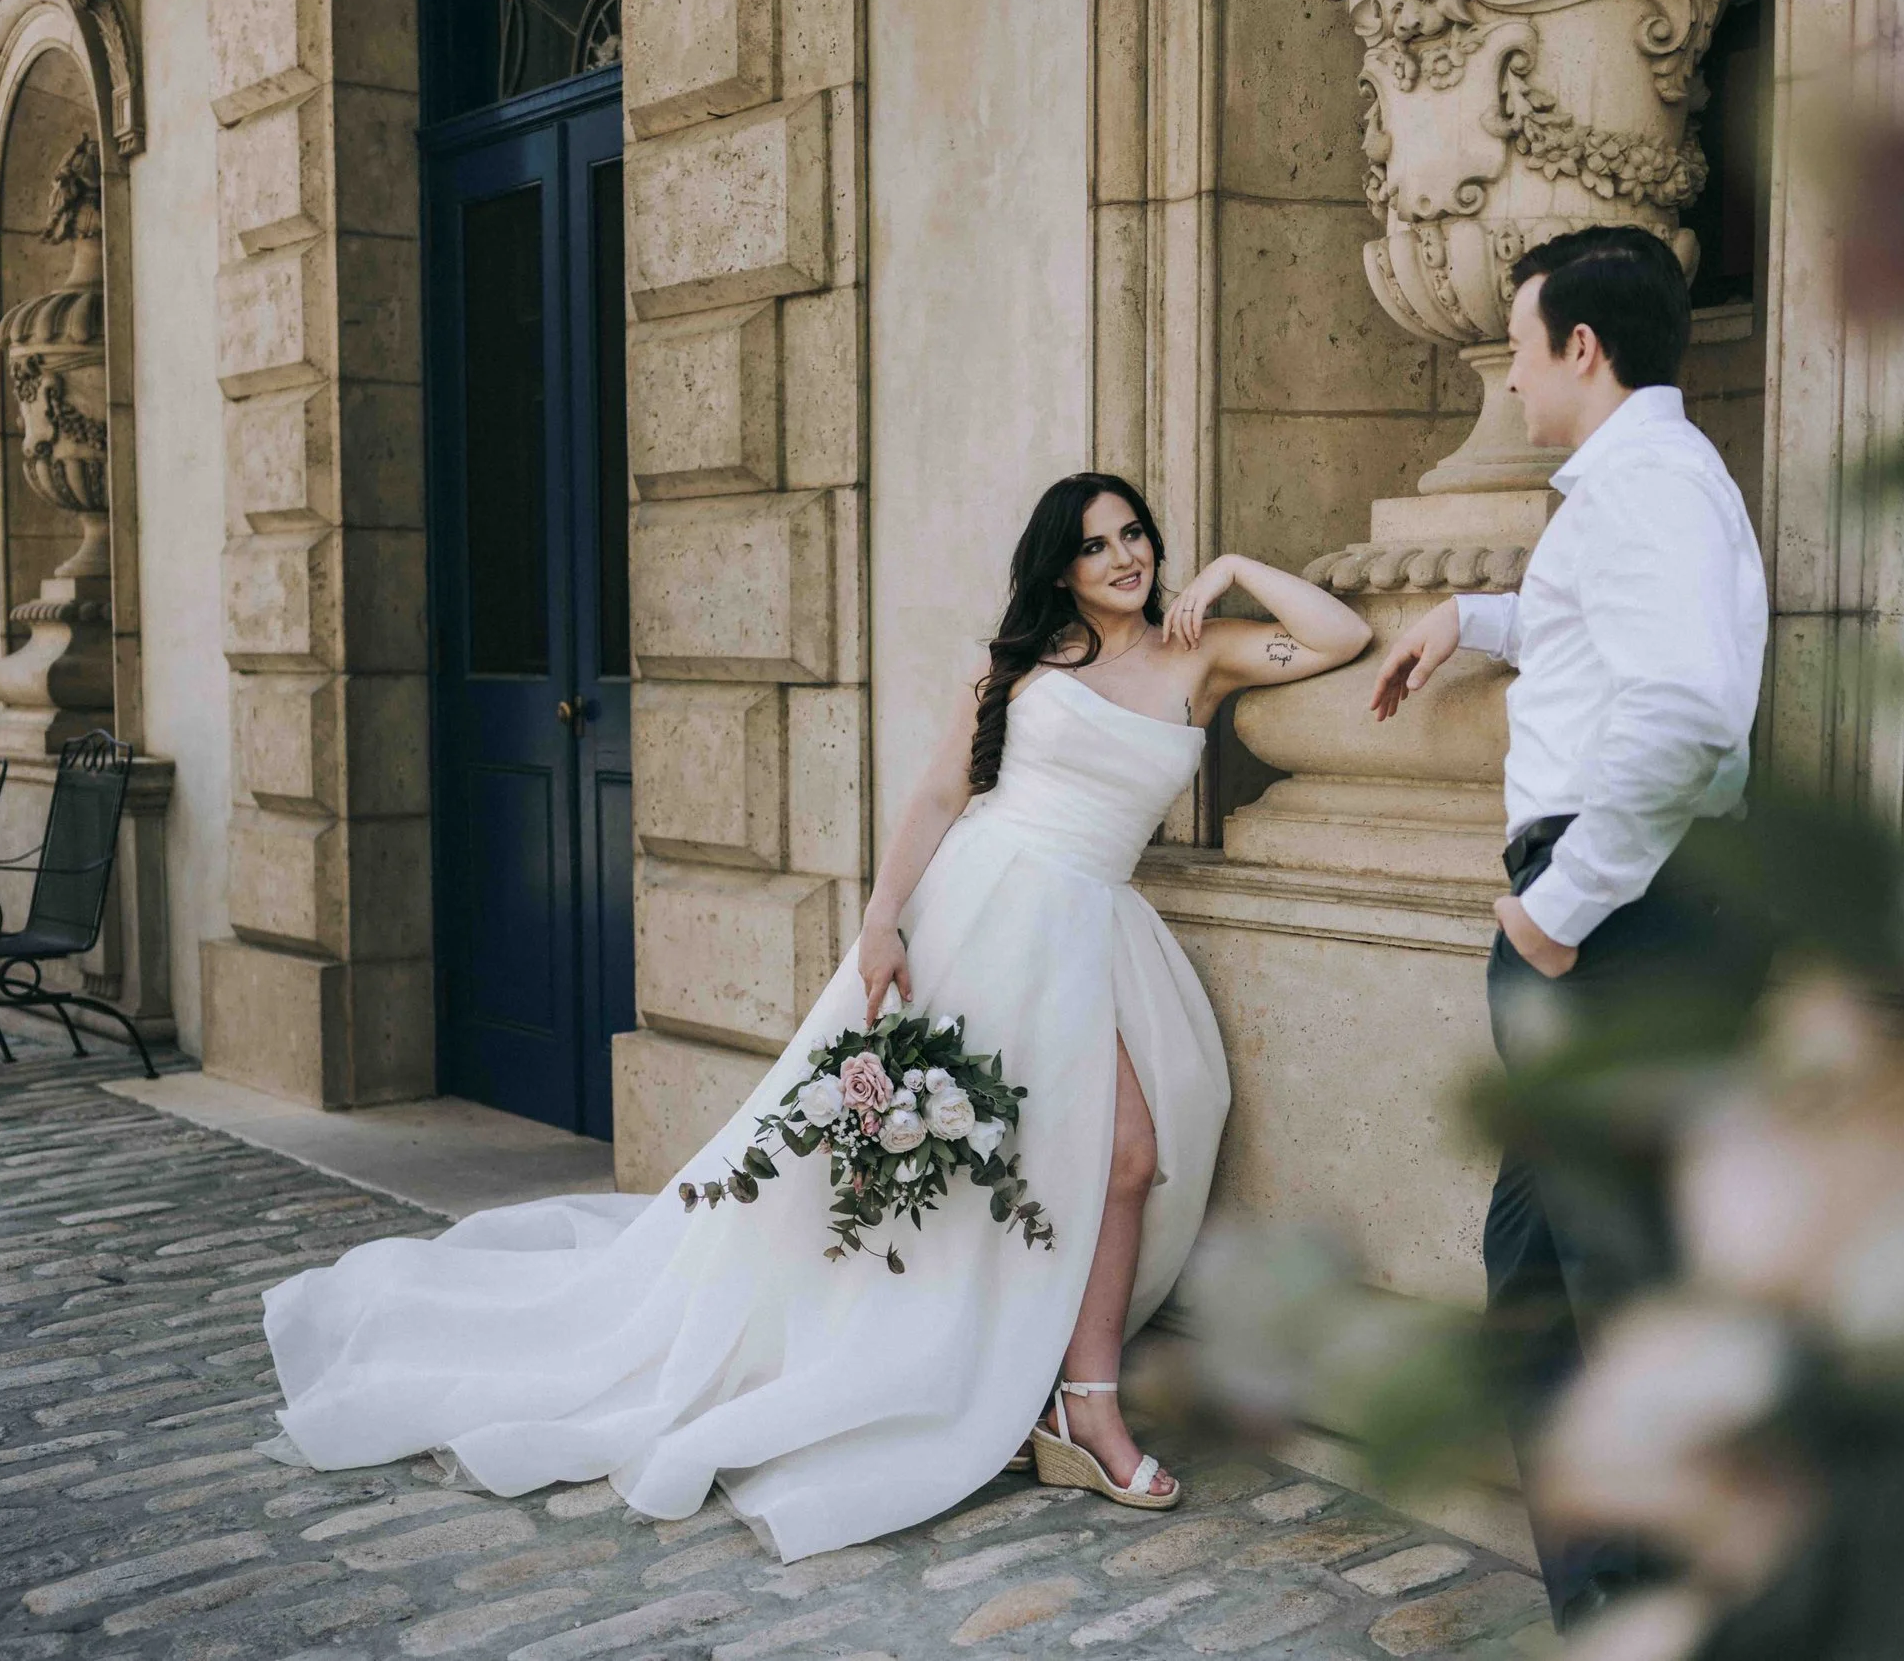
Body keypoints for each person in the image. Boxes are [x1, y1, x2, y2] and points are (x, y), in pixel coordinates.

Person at [258, 473, 1370, 1563]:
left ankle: (1077, 1401)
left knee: (1129, 1155)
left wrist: (1227, 567)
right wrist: (882, 922)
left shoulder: (1204, 651)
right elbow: (940, 794)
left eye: (1137, 534)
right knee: (955, 1153)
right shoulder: (1016, 667)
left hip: (1098, 929)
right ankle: (1045, 1395)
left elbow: (1341, 634)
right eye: (1095, 544)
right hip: (983, 918)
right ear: (1058, 568)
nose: (1125, 556)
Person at [1367, 226, 1772, 1627]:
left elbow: (1687, 711)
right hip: (1619, 916)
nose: (1514, 374)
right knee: (1544, 1282)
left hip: (1609, 922)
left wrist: (1557, 907)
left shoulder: (1644, 485)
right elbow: (1615, 647)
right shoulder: (1637, 485)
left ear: (1580, 348)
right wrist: (1474, 617)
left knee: (1601, 1299)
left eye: (1522, 343)